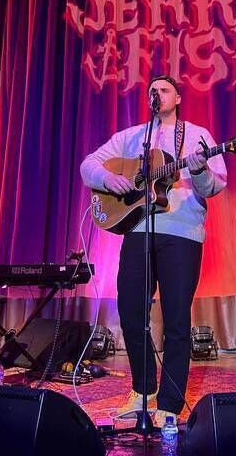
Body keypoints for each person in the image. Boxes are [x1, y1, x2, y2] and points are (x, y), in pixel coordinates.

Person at [80, 75, 227, 426]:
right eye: (152, 91)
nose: (156, 94)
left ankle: (170, 404)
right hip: (138, 232)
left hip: (182, 233)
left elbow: (213, 187)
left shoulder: (198, 135)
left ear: (177, 97)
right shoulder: (132, 137)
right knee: (131, 313)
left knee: (176, 319)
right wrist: (108, 179)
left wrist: (201, 169)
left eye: (163, 90)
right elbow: (89, 164)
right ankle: (142, 390)